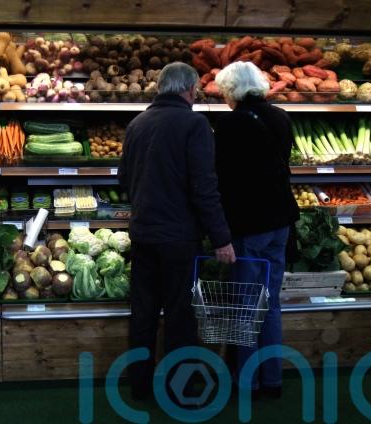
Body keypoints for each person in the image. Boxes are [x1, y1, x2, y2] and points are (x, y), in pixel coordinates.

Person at [118, 62, 236, 401]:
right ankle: (179, 387)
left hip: (143, 234)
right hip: (178, 238)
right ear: (190, 90)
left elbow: (123, 178)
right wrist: (221, 238)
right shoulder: (195, 124)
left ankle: (140, 386)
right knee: (180, 315)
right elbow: (204, 187)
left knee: (143, 313)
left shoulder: (137, 123)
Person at [213, 61, 300, 399]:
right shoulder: (281, 117)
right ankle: (272, 379)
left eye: (224, 92)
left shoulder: (230, 124)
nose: (224, 98)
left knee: (246, 304)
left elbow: (223, 177)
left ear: (232, 91)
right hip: (280, 221)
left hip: (250, 224)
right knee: (271, 302)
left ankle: (247, 382)